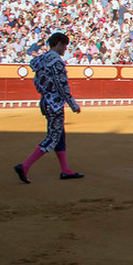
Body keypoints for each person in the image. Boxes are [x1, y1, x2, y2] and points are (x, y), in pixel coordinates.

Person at [13, 32, 83, 183]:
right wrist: (72, 104)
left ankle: (65, 170)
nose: (65, 49)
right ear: (58, 43)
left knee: (59, 134)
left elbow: (37, 81)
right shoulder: (56, 61)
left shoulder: (41, 59)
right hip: (55, 103)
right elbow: (61, 84)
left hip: (45, 100)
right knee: (53, 137)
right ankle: (25, 166)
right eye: (64, 46)